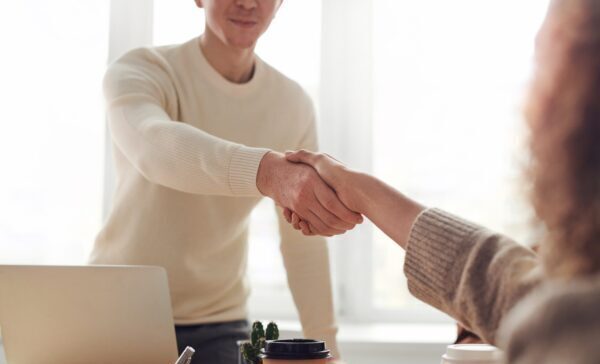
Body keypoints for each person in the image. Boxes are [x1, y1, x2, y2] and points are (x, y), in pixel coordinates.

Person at [283, 0, 600, 362]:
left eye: (543, 68)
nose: (528, 107)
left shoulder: (570, 333)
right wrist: (363, 192)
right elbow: (510, 286)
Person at [90, 0, 362, 362]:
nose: (248, 3)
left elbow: (303, 242)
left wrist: (328, 347)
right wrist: (267, 172)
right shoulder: (142, 70)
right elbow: (153, 146)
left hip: (219, 323)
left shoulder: (291, 104)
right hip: (116, 310)